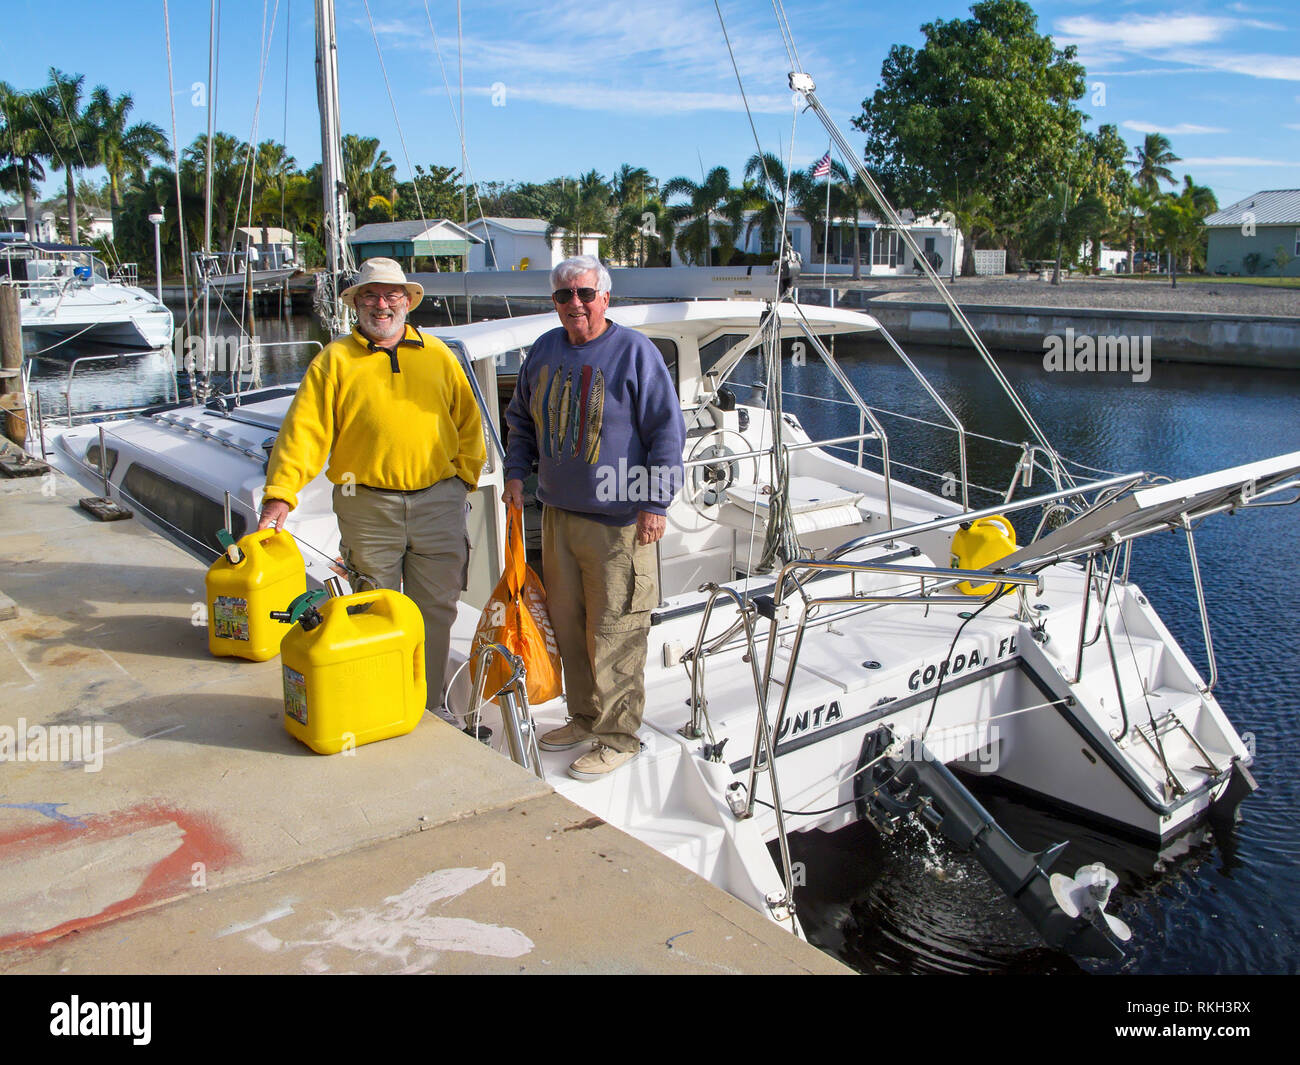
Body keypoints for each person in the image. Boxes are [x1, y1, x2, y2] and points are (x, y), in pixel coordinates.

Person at [258, 257, 485, 712]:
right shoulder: (334, 361)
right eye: (370, 295)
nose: (381, 304)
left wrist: (463, 477)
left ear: (408, 301)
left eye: (391, 295)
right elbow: (304, 433)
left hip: (439, 501)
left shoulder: (440, 356)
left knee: (436, 611)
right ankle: (382, 701)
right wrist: (280, 494)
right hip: (366, 505)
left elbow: (469, 423)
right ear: (356, 303)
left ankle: (432, 704)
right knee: (371, 607)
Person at [503, 255, 685, 780]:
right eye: (564, 297)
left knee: (616, 630)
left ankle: (618, 735)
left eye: (585, 294)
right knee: (571, 626)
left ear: (605, 297)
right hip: (559, 517)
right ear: (554, 303)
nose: (575, 304)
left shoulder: (636, 353)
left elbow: (666, 433)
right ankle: (583, 717)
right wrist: (517, 472)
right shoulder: (544, 350)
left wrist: (655, 502)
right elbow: (520, 422)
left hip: (621, 521)